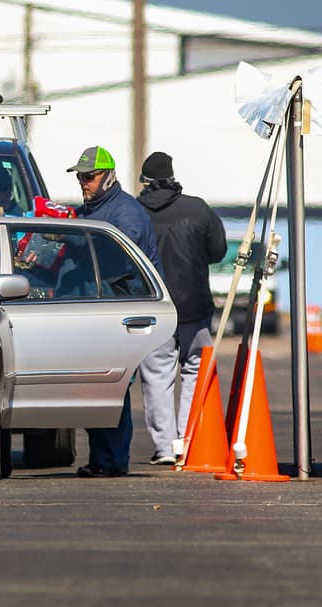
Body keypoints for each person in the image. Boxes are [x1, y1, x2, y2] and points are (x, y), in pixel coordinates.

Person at [65, 145, 163, 478]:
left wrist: (74, 240)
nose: (84, 182)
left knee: (113, 386)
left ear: (108, 176)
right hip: (99, 312)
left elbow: (119, 256)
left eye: (89, 177)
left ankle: (112, 461)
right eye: (80, 177)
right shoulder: (87, 212)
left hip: (125, 312)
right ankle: (102, 459)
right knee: (98, 388)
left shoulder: (126, 212)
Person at [135, 151, 228, 467]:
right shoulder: (198, 209)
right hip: (194, 306)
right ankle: (189, 441)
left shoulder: (135, 213)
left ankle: (164, 447)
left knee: (156, 376)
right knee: (195, 370)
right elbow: (218, 251)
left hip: (153, 307)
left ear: (145, 180)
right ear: (172, 176)